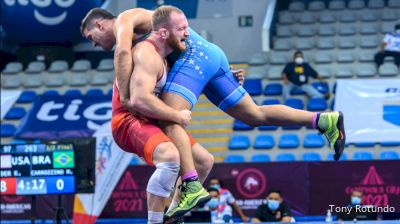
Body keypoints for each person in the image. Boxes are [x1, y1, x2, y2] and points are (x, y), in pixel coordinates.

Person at [82, 6, 346, 221]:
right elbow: (184, 43)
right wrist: (222, 70)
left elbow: (123, 52)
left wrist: (126, 94)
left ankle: (190, 184)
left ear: (101, 24)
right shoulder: (155, 41)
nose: (93, 43)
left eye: (91, 36)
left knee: (169, 118)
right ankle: (322, 119)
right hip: (210, 56)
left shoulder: (125, 22)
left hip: (195, 58)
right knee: (254, 115)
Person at [80, 8, 217, 223]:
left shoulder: (165, 59)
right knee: (171, 157)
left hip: (149, 119)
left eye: (91, 38)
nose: (187, 35)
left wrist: (221, 74)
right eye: (182, 30)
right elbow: (124, 57)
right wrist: (128, 97)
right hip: (126, 120)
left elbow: (198, 69)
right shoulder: (139, 44)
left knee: (203, 161)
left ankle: (173, 215)